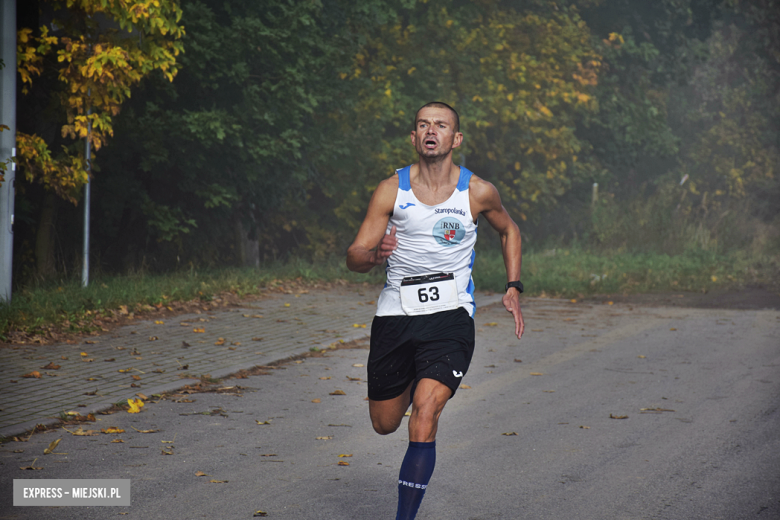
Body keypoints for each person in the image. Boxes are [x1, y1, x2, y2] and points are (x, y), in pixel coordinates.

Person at [346, 101, 525, 519]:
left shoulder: (477, 191)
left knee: (425, 411)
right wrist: (372, 257)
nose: (431, 131)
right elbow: (354, 254)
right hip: (396, 311)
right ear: (413, 138)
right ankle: (416, 373)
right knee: (385, 422)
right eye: (423, 125)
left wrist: (513, 285)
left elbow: (509, 229)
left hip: (451, 315)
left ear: (454, 139)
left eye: (441, 125)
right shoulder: (391, 189)